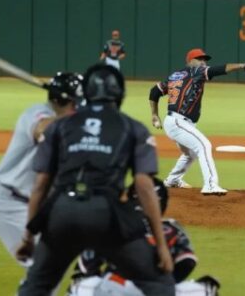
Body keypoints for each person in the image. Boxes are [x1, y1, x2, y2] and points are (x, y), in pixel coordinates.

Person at [15, 63, 175, 296]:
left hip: (61, 213)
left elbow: (40, 185)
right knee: (159, 283)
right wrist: (161, 245)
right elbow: (144, 187)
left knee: (35, 287)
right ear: (120, 94)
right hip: (106, 215)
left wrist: (29, 237)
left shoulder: (59, 126)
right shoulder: (133, 128)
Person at [0, 73, 83, 266]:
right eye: (76, 104)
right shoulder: (37, 113)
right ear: (62, 100)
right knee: (45, 269)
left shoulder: (71, 128)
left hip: (34, 206)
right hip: (8, 204)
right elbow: (43, 130)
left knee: (53, 268)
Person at [67, 177, 221, 296]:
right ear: (163, 203)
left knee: (79, 284)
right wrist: (167, 284)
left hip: (115, 287)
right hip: (159, 290)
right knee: (207, 287)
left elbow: (86, 266)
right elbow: (187, 262)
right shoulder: (171, 228)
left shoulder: (110, 224)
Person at [149, 48, 245, 196]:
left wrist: (154, 115)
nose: (203, 62)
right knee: (204, 145)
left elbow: (155, 91)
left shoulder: (175, 75)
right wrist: (242, 66)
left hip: (176, 122)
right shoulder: (195, 71)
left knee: (189, 153)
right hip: (179, 122)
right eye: (200, 59)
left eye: (205, 60)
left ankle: (172, 180)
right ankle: (210, 185)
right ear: (190, 61)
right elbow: (219, 70)